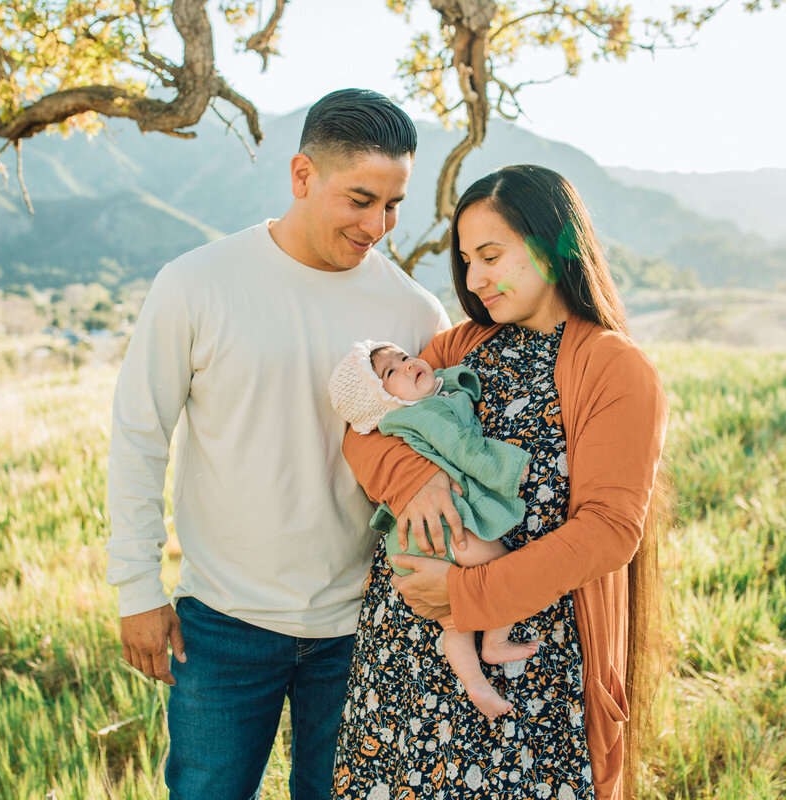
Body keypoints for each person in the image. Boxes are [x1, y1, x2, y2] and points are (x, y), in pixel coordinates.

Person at [105, 88, 450, 800]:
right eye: (360, 199)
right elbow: (140, 433)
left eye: (393, 205)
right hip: (223, 624)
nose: (378, 224)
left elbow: (433, 456)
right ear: (302, 177)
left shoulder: (415, 313)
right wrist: (136, 589)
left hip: (363, 626)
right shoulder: (197, 283)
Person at [332, 165, 669, 800]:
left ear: (553, 243)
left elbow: (607, 534)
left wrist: (467, 594)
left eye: (492, 255)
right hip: (405, 657)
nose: (475, 278)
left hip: (528, 669)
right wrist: (415, 485)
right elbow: (366, 422)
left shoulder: (613, 368)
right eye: (467, 260)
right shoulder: (461, 344)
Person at [328, 340, 541, 719]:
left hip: (411, 545)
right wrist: (508, 470)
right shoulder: (424, 415)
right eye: (391, 372)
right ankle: (496, 639)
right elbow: (464, 448)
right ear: (381, 402)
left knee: (453, 619)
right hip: (440, 533)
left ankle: (475, 683)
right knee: (506, 565)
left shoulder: (409, 410)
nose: (408, 366)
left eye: (405, 358)